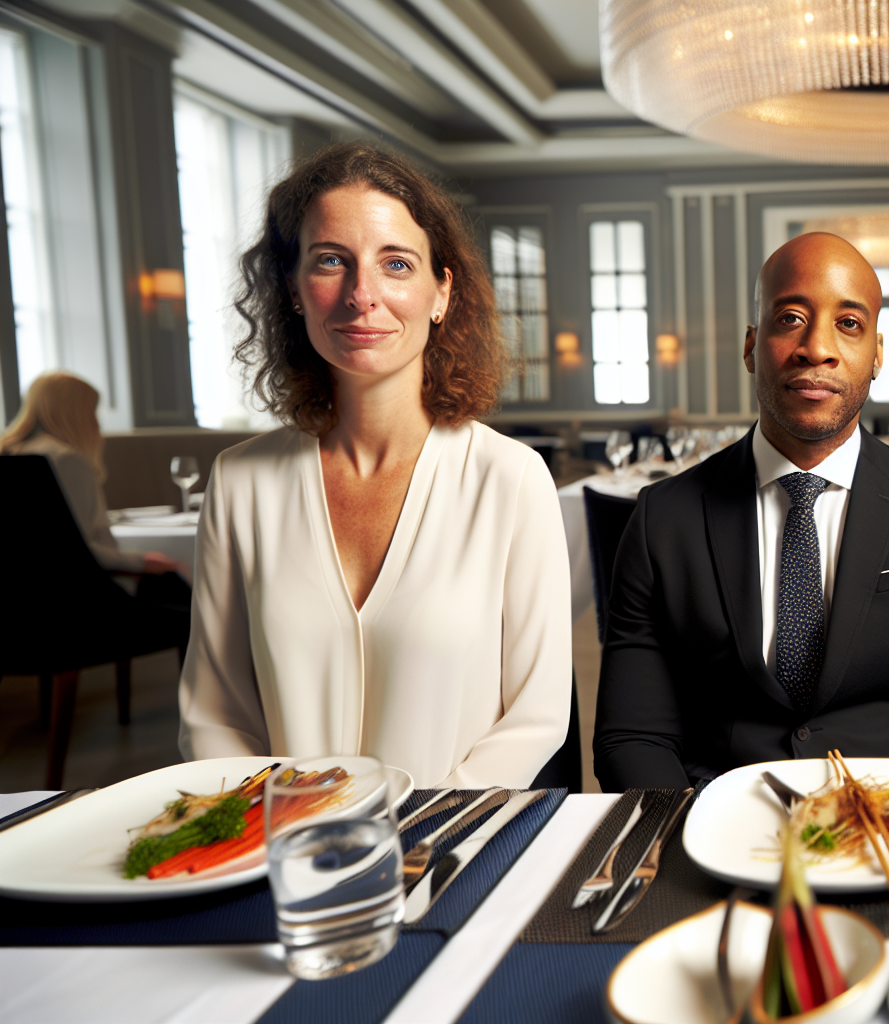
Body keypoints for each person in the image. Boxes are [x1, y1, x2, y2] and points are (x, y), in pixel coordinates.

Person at [178, 142, 570, 789]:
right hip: (283, 858)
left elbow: (536, 715)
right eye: (331, 261)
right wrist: (283, 831)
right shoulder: (239, 483)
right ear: (295, 290)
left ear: (440, 292)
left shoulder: (513, 479)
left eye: (396, 263)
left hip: (449, 852)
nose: (363, 295)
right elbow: (214, 713)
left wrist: (417, 831)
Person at [594, 232, 889, 791]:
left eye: (849, 324)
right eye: (789, 319)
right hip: (716, 834)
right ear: (751, 346)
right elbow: (634, 738)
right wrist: (692, 836)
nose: (817, 348)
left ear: (876, 355)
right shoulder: (663, 519)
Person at [2, 372, 187, 579]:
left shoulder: (13, 454)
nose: (97, 423)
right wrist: (140, 561)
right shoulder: (66, 460)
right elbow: (74, 548)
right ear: (74, 414)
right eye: (91, 411)